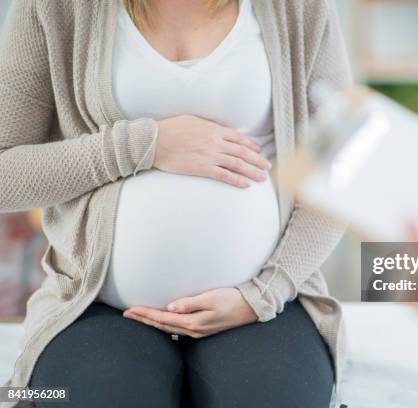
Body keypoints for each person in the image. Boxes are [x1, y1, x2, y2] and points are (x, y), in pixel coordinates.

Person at [0, 0, 352, 406]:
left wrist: (264, 293)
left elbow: (342, 167)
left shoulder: (299, 8)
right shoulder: (55, 8)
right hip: (97, 306)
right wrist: (144, 145)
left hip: (265, 306)